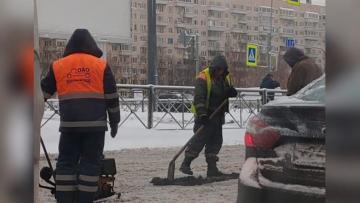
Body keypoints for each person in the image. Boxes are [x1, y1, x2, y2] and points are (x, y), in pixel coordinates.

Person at [41, 29, 120, 203]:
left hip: (69, 127)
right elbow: (112, 98)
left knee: (66, 164)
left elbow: (42, 94)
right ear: (92, 46)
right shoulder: (101, 65)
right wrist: (115, 122)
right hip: (95, 128)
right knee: (90, 165)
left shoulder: (58, 65)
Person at [180, 55, 237, 177]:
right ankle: (186, 164)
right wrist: (202, 114)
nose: (220, 73)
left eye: (222, 70)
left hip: (218, 116)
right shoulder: (203, 77)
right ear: (215, 68)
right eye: (219, 70)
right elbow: (199, 98)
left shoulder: (225, 78)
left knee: (216, 142)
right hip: (206, 117)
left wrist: (231, 92)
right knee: (198, 141)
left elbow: (226, 91)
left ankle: (212, 169)